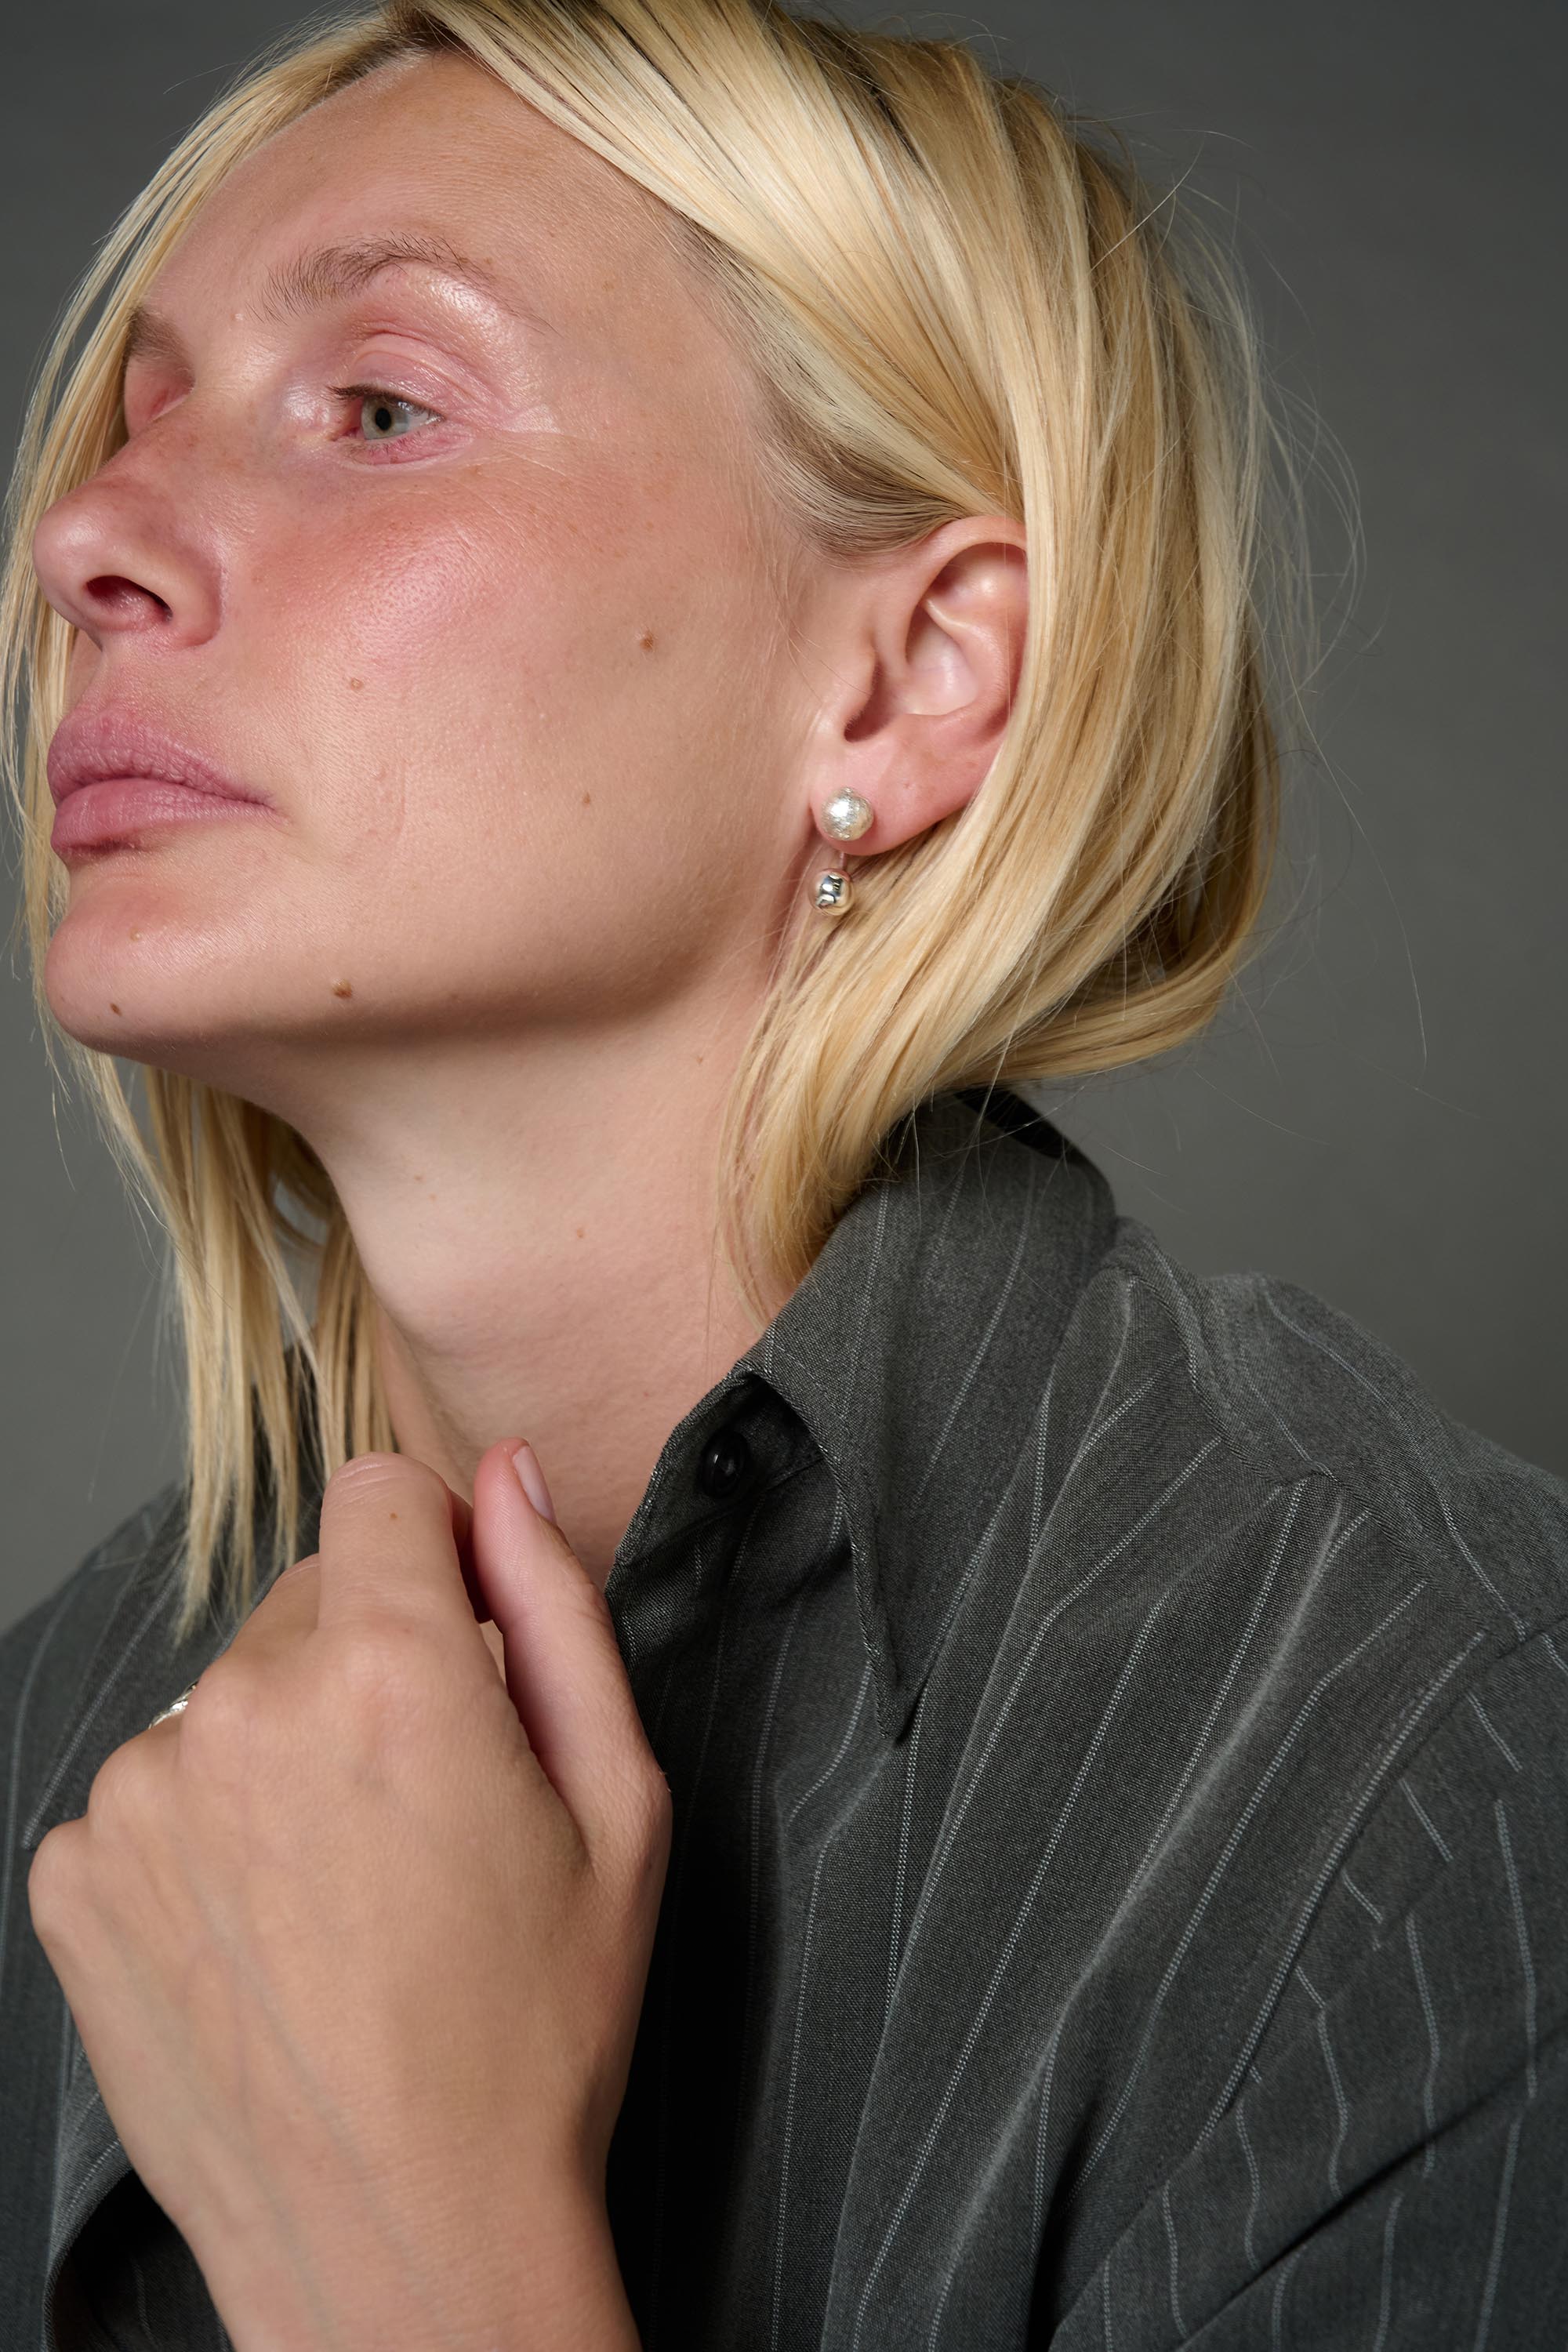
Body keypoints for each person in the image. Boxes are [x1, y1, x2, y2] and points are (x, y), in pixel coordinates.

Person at [2, 1, 1563, 2344]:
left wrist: (409, 2253)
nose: (85, 537)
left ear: (910, 680)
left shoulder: (1424, 1785)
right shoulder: (60, 1739)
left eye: (383, 407)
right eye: (134, 425)